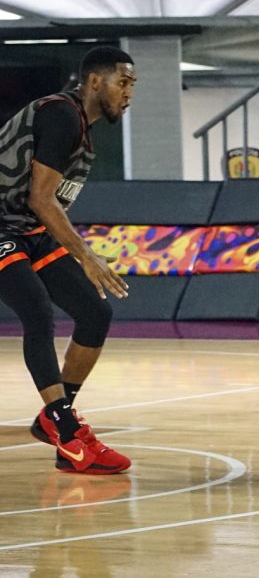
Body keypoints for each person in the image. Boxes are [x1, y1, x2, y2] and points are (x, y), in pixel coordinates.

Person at [0, 46, 134, 474]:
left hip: (26, 232)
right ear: (94, 81)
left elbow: (41, 205)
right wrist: (87, 255)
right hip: (4, 228)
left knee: (95, 312)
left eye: (132, 85)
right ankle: (69, 433)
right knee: (37, 310)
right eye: (123, 82)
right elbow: (41, 199)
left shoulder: (81, 129)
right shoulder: (61, 115)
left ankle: (56, 420)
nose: (129, 93)